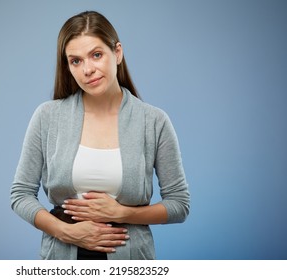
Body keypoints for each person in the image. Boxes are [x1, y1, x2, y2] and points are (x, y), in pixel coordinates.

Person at [11, 10, 190, 260]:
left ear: (117, 53)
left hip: (130, 260)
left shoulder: (153, 121)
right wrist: (66, 232)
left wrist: (122, 213)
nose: (87, 70)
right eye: (76, 61)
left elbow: (179, 204)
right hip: (60, 258)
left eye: (96, 55)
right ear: (68, 66)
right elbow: (20, 194)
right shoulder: (48, 116)